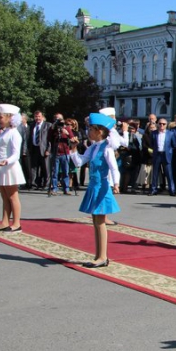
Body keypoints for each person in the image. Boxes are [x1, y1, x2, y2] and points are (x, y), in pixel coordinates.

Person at [67, 113, 120, 268]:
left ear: (100, 131)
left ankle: (103, 256)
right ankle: (98, 255)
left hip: (102, 187)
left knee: (100, 221)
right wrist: (73, 148)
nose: (88, 131)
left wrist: (116, 184)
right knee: (95, 221)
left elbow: (114, 168)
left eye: (91, 129)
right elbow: (79, 162)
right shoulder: (94, 147)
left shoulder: (106, 149)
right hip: (93, 187)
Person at [0, 105, 25, 232]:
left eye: (1, 117)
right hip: (1, 166)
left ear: (9, 118)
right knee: (4, 196)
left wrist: (7, 161)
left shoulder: (14, 134)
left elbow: (16, 154)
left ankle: (17, 223)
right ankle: (5, 221)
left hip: (9, 168)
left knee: (13, 196)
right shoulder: (4, 133)